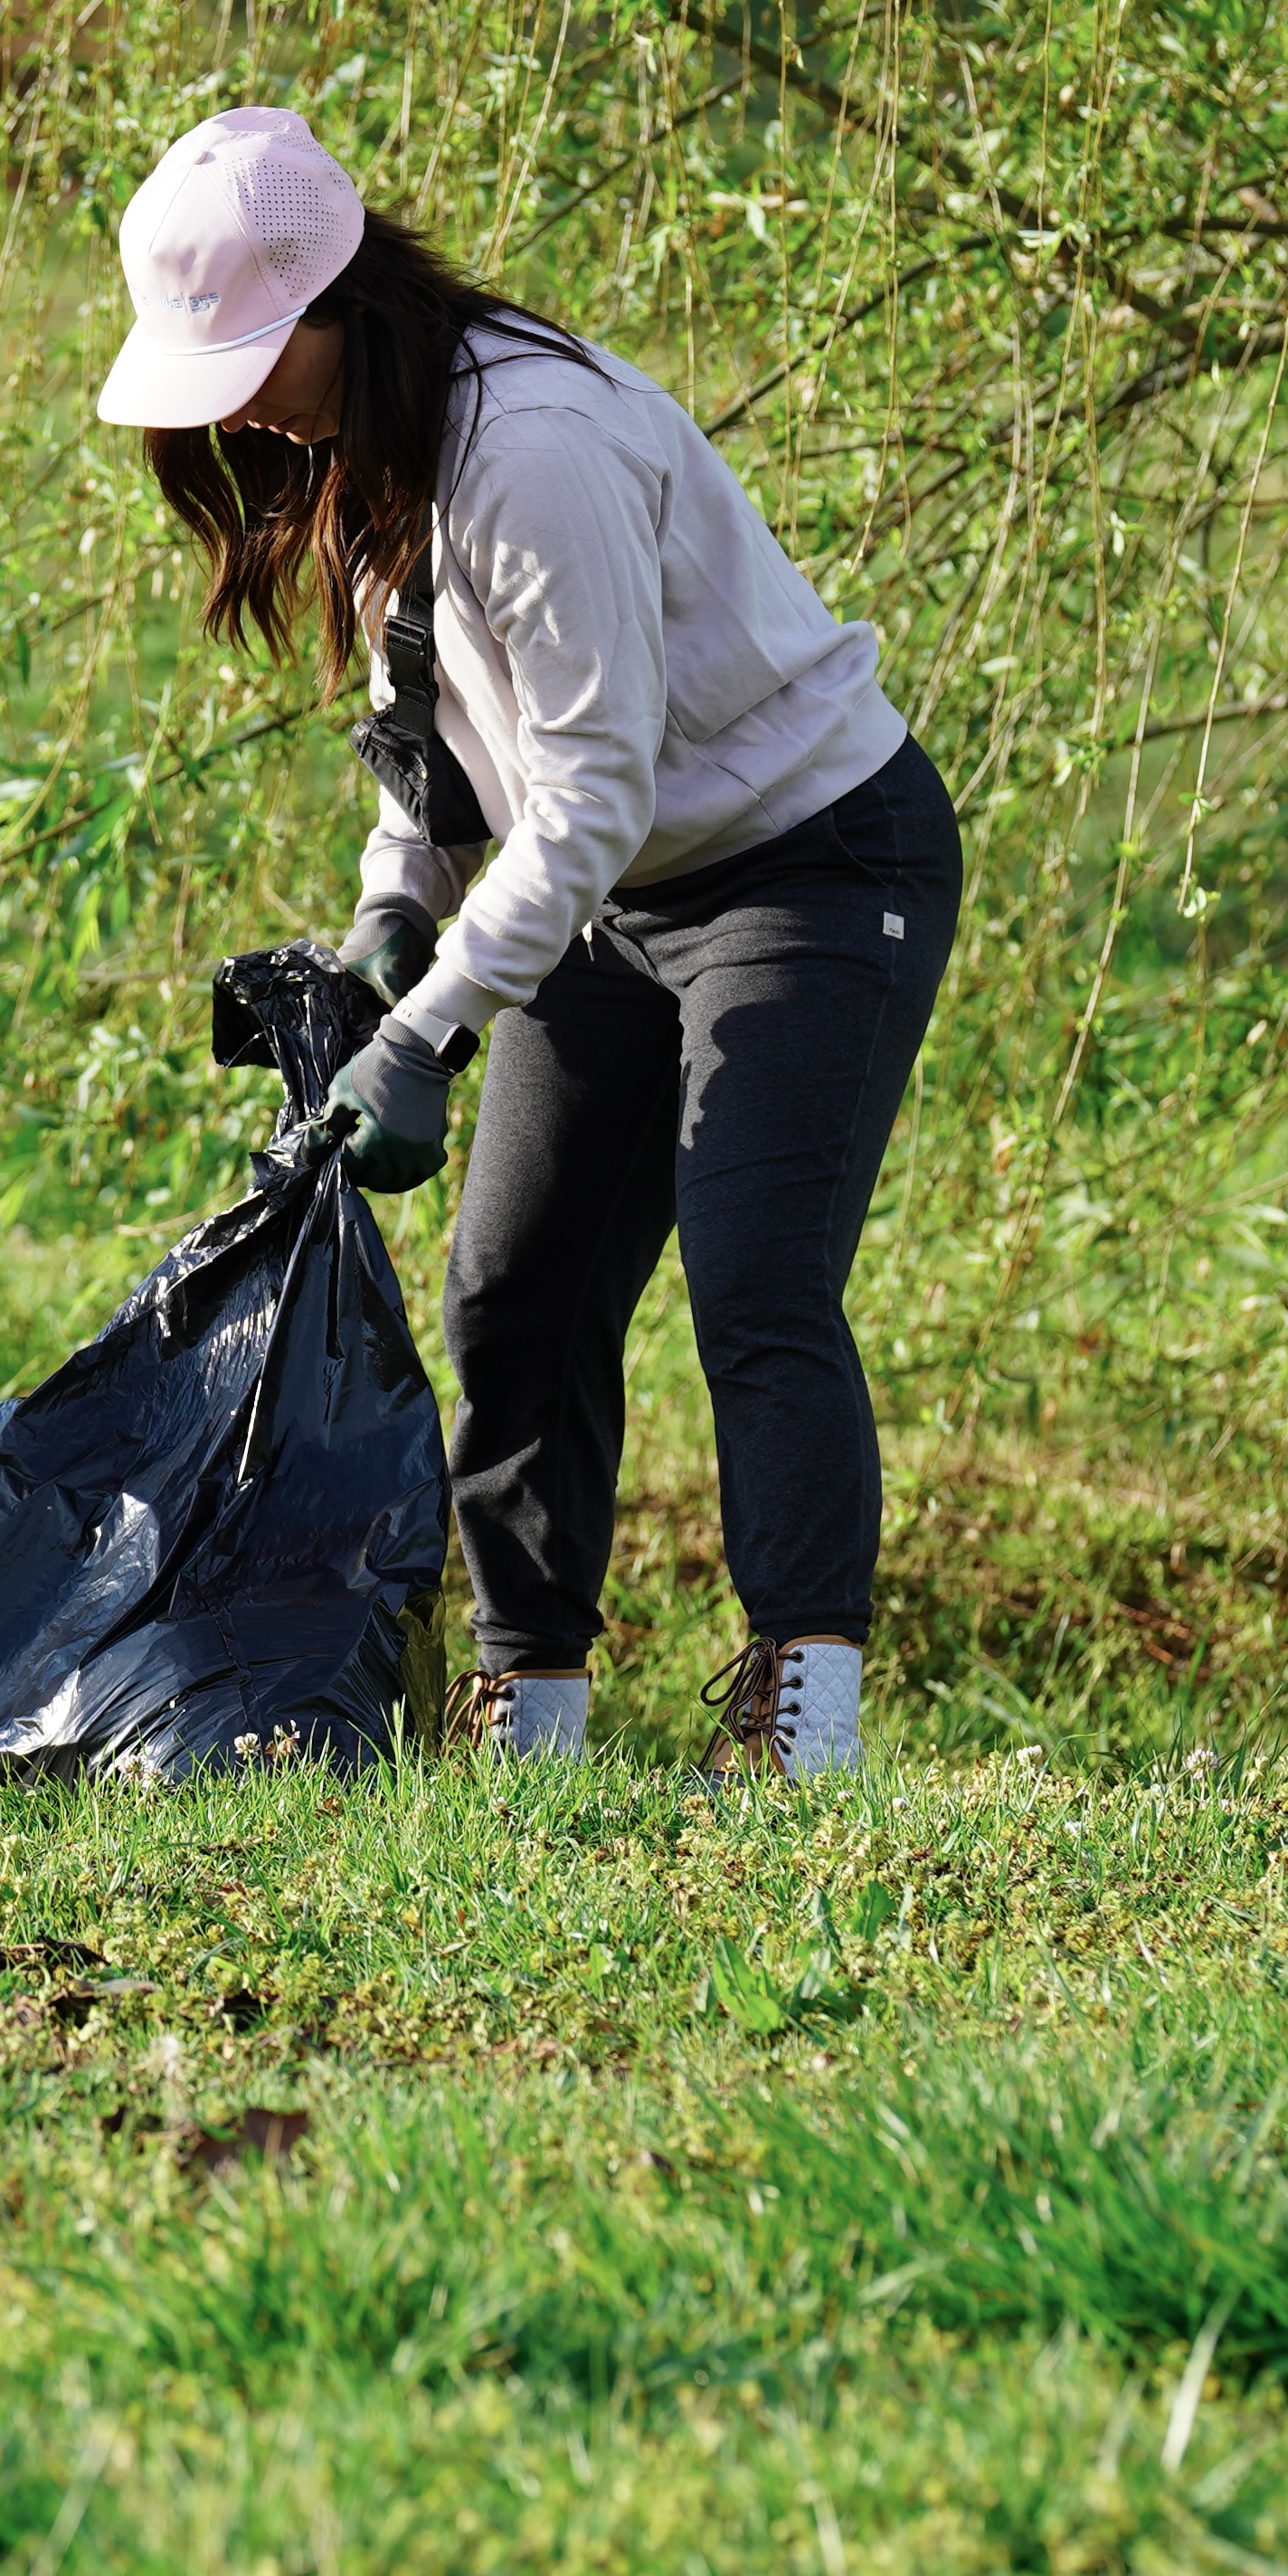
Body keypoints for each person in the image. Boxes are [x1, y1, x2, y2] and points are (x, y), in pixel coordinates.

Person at [92, 105, 961, 1780]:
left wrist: (422, 1032)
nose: (240, 410)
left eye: (255, 361)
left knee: (755, 1278)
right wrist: (390, 910)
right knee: (516, 1288)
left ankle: (806, 1717)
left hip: (806, 861)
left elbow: (584, 794)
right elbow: (427, 725)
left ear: (345, 298)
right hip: (609, 893)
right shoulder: (362, 437)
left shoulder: (532, 445)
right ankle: (531, 1710)